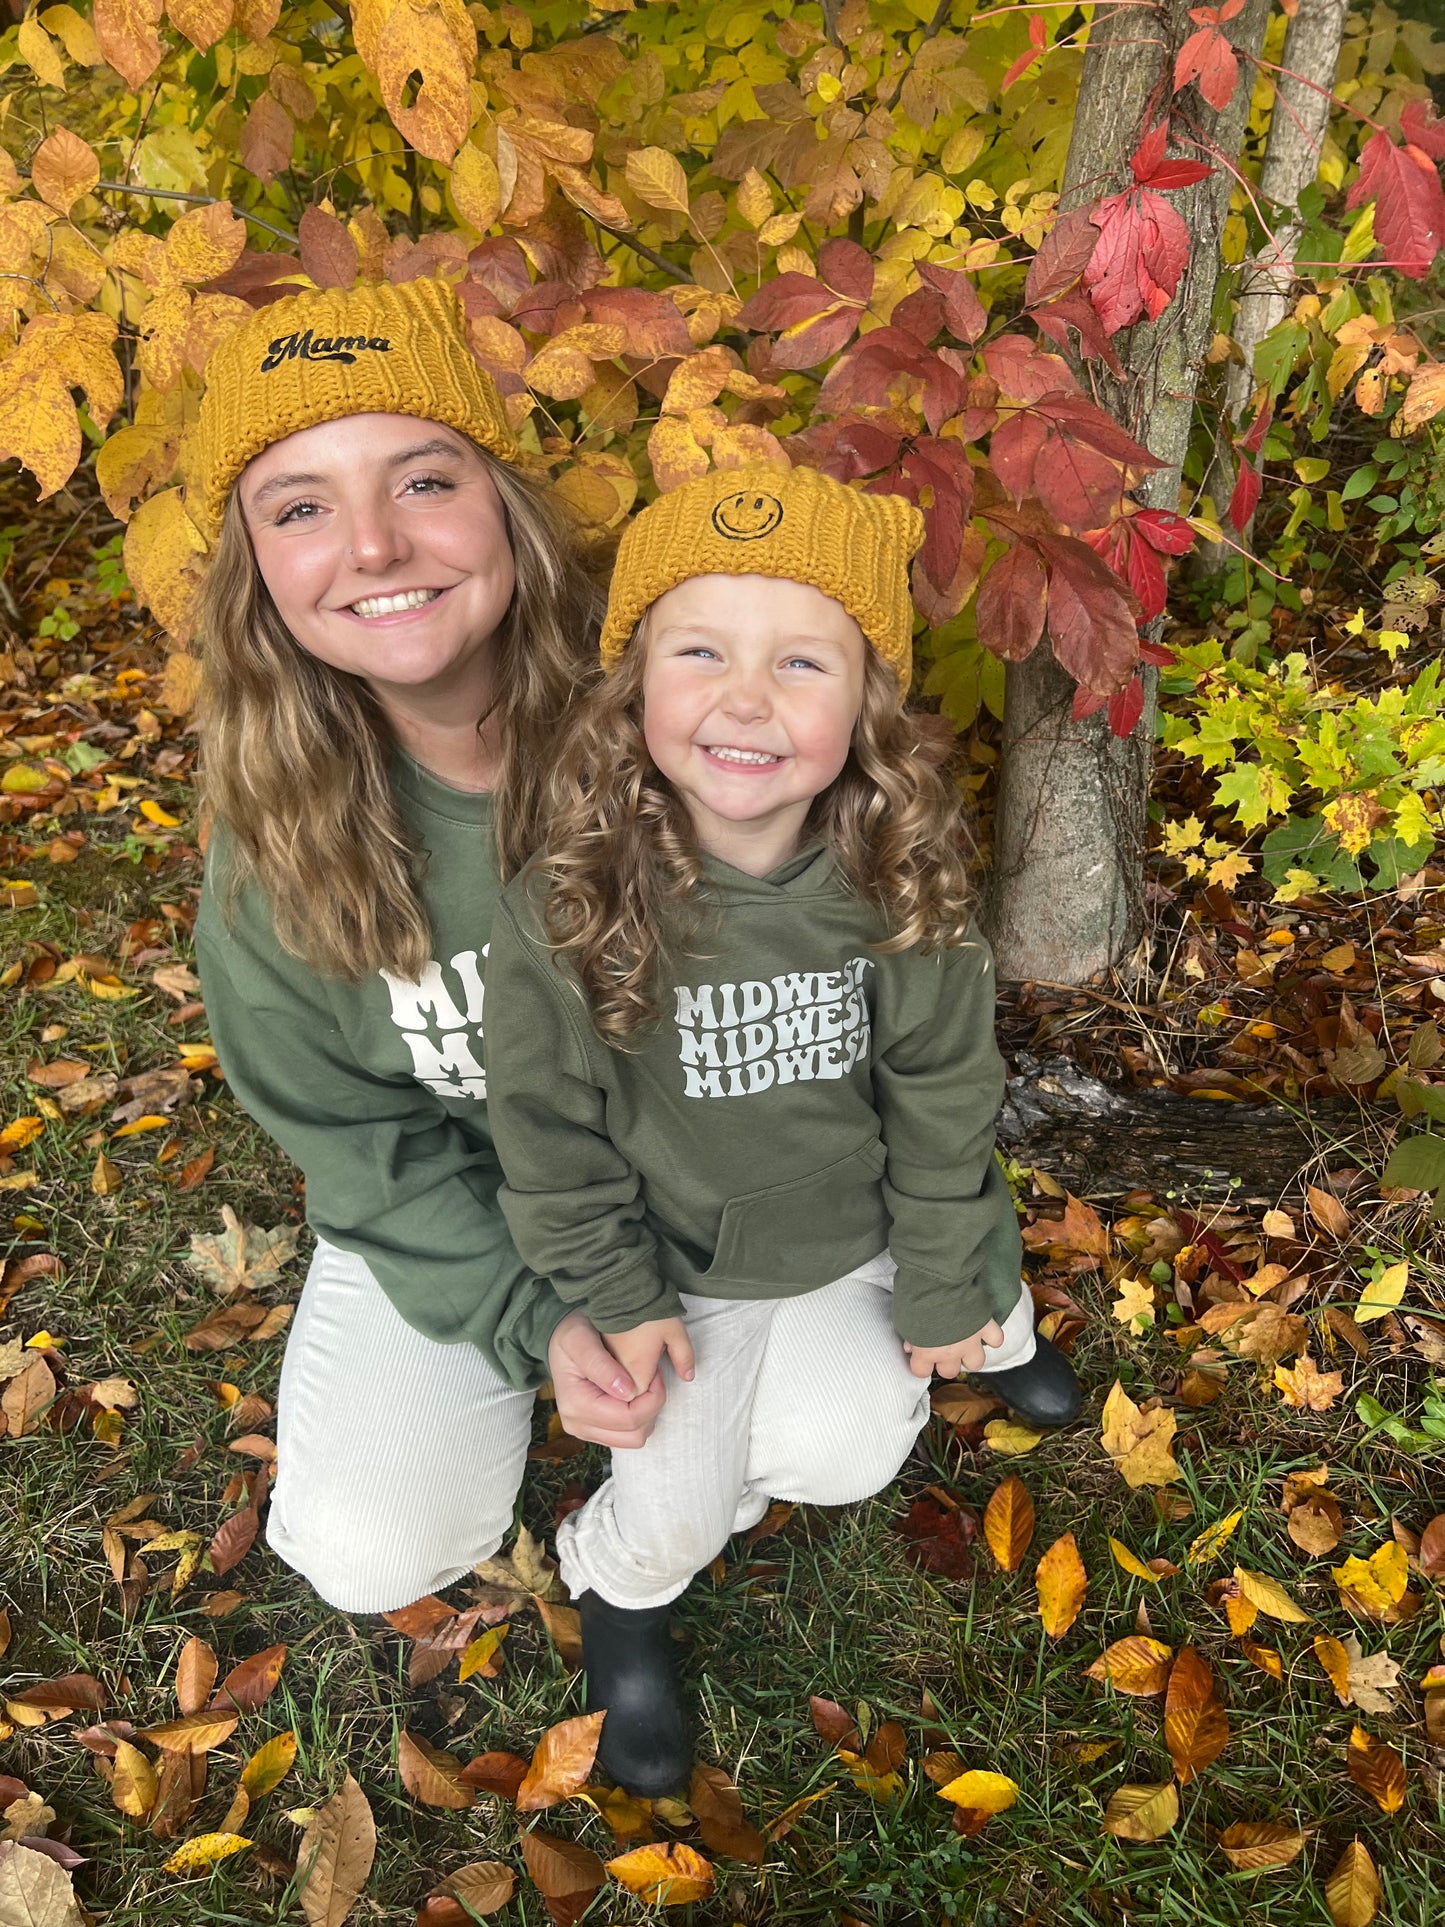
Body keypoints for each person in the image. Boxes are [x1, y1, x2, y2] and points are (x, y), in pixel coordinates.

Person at [483, 465, 1084, 1797]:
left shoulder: (899, 879)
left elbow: (938, 1106)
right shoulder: (566, 908)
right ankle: (622, 1604)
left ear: (865, 707)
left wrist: (940, 1277)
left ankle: (1006, 1326)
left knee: (868, 1427)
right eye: (699, 652)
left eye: (800, 662)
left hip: (867, 1225)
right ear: (634, 686)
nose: (744, 699)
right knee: (683, 1510)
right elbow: (545, 1136)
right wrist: (613, 1291)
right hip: (692, 1267)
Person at [190, 275, 670, 1615]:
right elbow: (360, 1142)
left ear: (501, 506)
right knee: (366, 1549)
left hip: (691, 1173)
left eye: (420, 482)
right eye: (301, 507)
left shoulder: (674, 706)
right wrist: (543, 1319)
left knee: (837, 1428)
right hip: (459, 1197)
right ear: (259, 575)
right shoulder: (272, 852)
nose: (374, 549)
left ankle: (646, 1545)